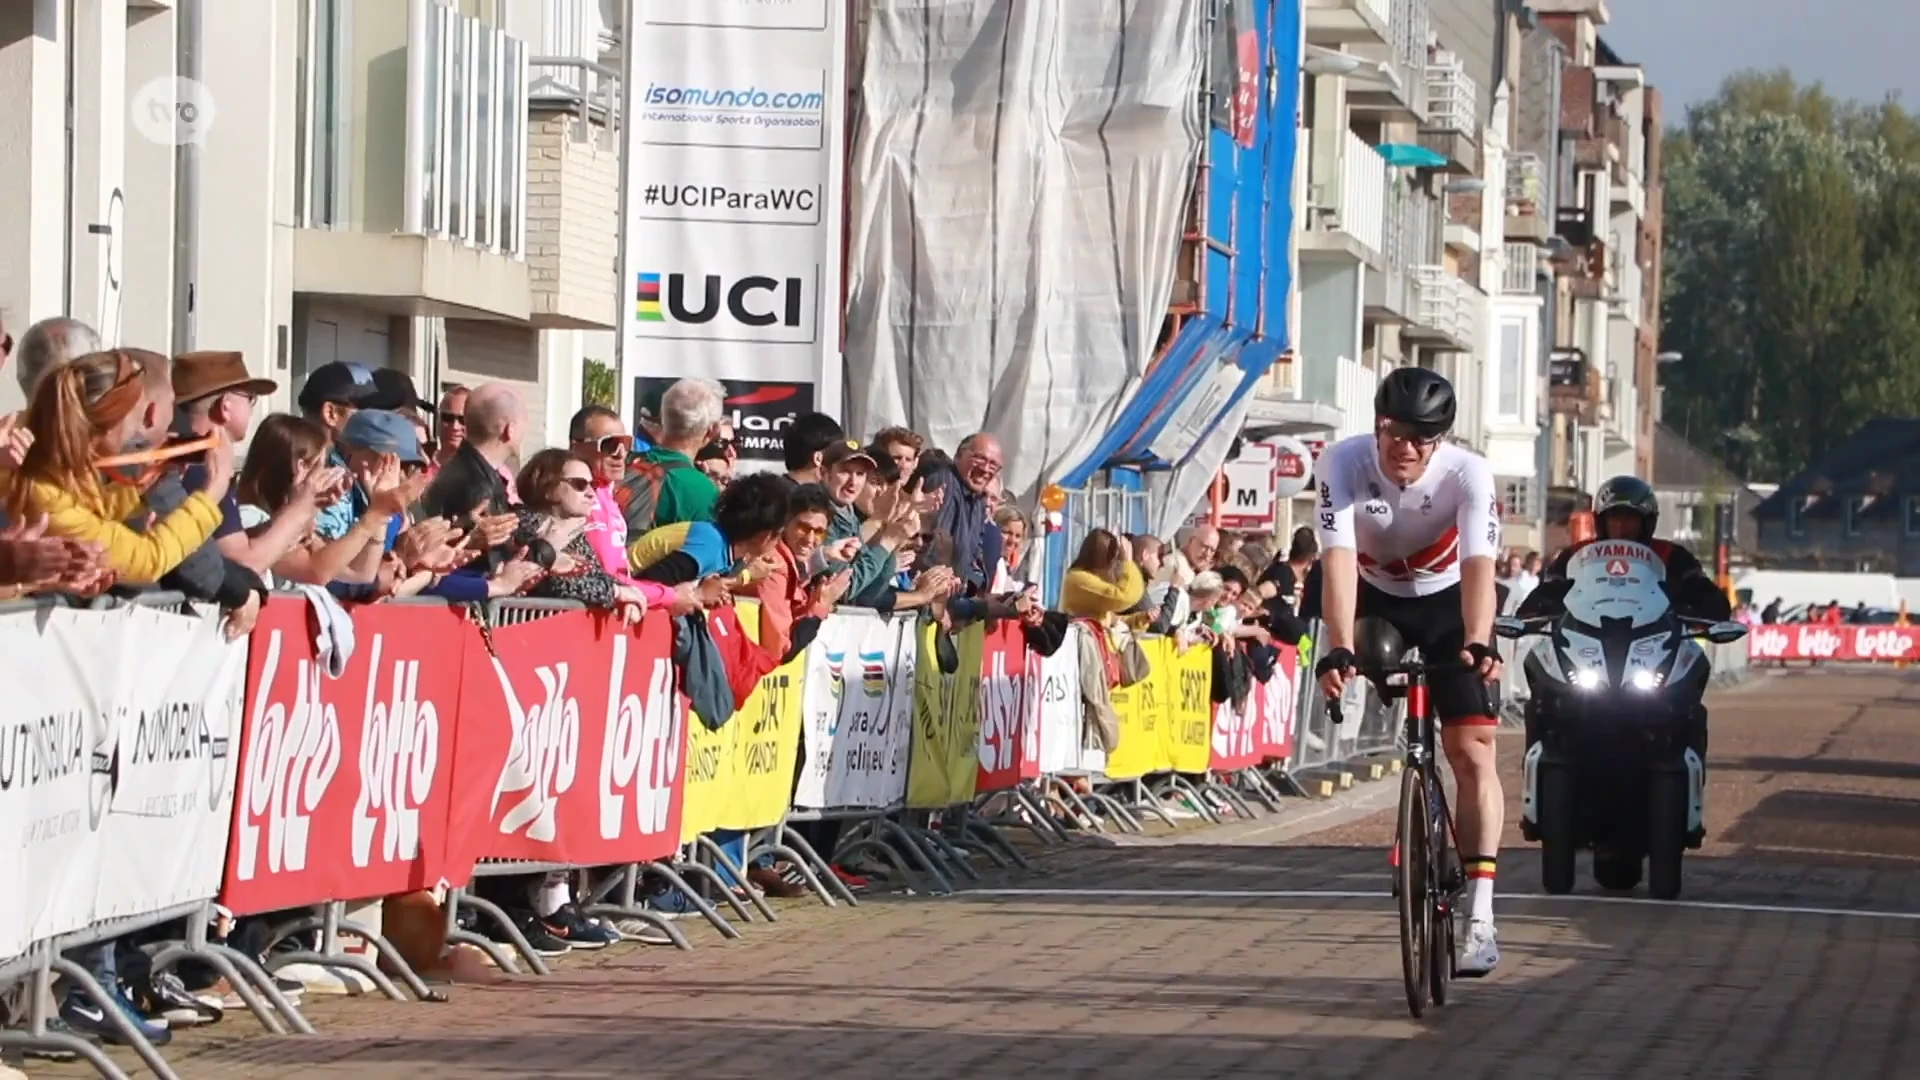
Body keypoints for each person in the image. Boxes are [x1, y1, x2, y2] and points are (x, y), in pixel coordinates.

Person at [1309, 366, 1505, 976]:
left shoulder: (1468, 473)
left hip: (1450, 604)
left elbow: (1478, 567)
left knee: (1472, 748)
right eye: (1395, 431)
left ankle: (1481, 915)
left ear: (1440, 440)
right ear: (1378, 423)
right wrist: (1339, 646)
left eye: (1423, 437)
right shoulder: (1340, 464)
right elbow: (1337, 562)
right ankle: (1413, 783)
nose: (1406, 447)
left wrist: (1477, 641)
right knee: (1367, 650)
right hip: (1380, 601)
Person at [1516, 477, 1733, 624]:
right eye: (1615, 518)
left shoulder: (1671, 555)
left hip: (1655, 645)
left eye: (1630, 518)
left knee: (1694, 668)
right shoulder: (1576, 555)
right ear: (1602, 521)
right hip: (1586, 645)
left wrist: (1688, 608)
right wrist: (1539, 611)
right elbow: (1547, 592)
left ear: (1646, 522)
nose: (1621, 526)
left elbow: (1709, 598)